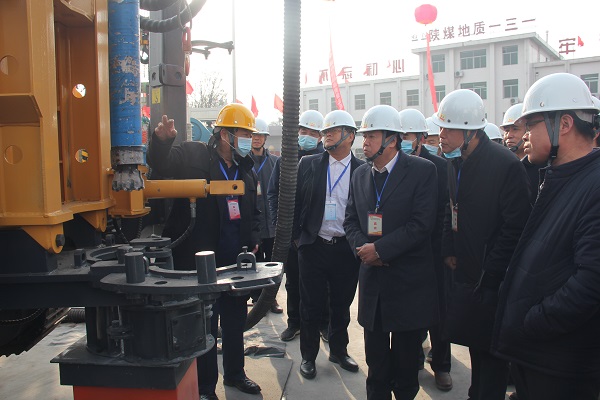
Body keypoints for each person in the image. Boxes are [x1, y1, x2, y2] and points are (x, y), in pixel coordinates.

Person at [492, 72, 600, 400]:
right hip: (540, 356)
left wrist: (533, 322)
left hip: (559, 362)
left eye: (531, 124)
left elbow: (591, 282)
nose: (525, 135)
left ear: (563, 124)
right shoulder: (561, 177)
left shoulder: (593, 185)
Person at [148, 104, 262, 400]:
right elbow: (162, 164)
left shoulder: (246, 170)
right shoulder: (194, 154)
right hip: (200, 262)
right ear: (224, 135)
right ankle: (205, 387)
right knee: (206, 326)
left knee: (235, 322)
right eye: (243, 134)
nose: (248, 140)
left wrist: (253, 238)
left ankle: (235, 374)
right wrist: (161, 141)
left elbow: (254, 212)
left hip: (235, 262)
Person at [433, 89, 531, 400]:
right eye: (441, 127)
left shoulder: (505, 165)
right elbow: (450, 208)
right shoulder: (454, 162)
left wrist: (490, 271)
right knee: (476, 347)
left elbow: (515, 228)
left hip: (493, 280)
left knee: (492, 356)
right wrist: (450, 248)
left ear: (470, 131)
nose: (441, 135)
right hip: (465, 273)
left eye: (448, 129)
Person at [344, 105, 439, 399]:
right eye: (365, 136)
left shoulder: (423, 171)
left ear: (392, 140)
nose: (365, 142)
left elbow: (421, 224)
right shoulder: (360, 174)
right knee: (376, 364)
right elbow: (350, 220)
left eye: (371, 136)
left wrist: (381, 250)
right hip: (373, 284)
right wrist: (363, 249)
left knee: (406, 365)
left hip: (407, 284)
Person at [294, 110, 364, 380]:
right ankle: (308, 356)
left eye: (333, 131)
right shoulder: (309, 164)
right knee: (310, 305)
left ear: (350, 136)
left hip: (346, 248)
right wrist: (298, 239)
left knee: (341, 305)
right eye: (325, 132)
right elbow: (295, 202)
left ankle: (339, 350)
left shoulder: (362, 170)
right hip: (314, 246)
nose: (327, 136)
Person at [398, 108, 452, 391]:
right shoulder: (395, 167)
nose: (403, 141)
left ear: (420, 138)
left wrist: (445, 250)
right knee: (411, 311)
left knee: (439, 313)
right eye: (400, 136)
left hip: (435, 252)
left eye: (407, 136)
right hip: (406, 253)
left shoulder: (441, 167)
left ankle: (441, 365)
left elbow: (447, 213)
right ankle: (415, 358)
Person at [267, 110, 329, 342]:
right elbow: (273, 193)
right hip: (291, 234)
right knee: (293, 281)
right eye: (304, 131)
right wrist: (280, 226)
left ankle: (324, 324)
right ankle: (294, 323)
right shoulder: (286, 159)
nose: (307, 136)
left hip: (319, 234)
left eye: (313, 132)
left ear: (320, 136)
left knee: (322, 284)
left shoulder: (328, 160)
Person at [249, 117, 283, 313]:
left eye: (260, 135)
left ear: (265, 138)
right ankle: (256, 298)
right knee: (254, 262)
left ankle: (271, 298)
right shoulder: (243, 161)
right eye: (253, 135)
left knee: (271, 262)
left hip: (270, 223)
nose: (256, 138)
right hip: (253, 223)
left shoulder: (275, 162)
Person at [501, 103, 542, 206]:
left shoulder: (541, 167)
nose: (509, 135)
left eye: (515, 129)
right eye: (506, 130)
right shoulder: (504, 165)